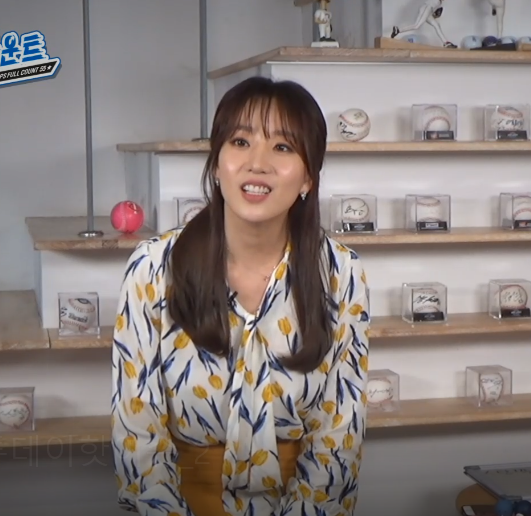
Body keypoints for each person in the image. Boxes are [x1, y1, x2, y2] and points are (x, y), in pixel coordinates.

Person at [110, 76, 371, 516]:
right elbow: (137, 432)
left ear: (309, 176)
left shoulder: (342, 273)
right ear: (217, 164)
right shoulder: (152, 268)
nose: (257, 163)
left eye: (282, 147)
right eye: (240, 142)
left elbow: (339, 432)